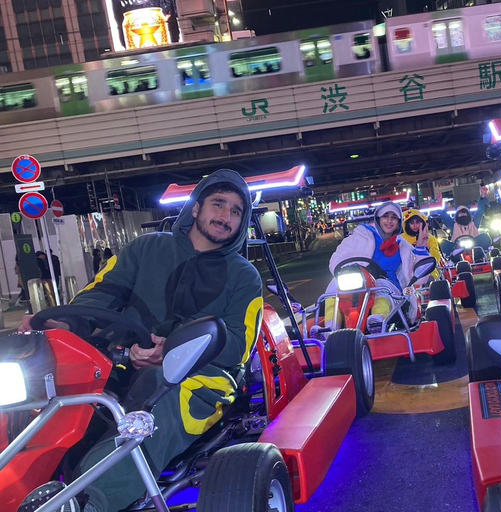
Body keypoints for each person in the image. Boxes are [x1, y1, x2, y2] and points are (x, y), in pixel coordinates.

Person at [20, 169, 263, 512]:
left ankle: (89, 504)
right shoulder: (145, 248)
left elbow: (238, 344)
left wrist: (173, 352)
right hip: (119, 361)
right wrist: (63, 322)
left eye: (236, 211)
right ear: (196, 208)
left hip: (200, 376)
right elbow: (100, 295)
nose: (225, 216)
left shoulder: (244, 276)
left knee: (154, 392)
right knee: (56, 386)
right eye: (218, 204)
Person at [319, 201, 430, 335]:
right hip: (359, 281)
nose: (389, 221)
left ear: (399, 222)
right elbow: (337, 258)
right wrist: (349, 270)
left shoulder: (403, 245)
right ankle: (330, 327)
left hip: (388, 286)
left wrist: (421, 248)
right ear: (378, 219)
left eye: (394, 218)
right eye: (385, 216)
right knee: (335, 287)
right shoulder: (360, 236)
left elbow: (420, 277)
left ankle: (377, 320)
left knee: (382, 286)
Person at [438, 186, 491, 259]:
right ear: (457, 215)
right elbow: (444, 215)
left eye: (464, 213)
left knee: (485, 237)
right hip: (457, 248)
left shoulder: (474, 223)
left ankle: (481, 256)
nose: (462, 215)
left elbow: (480, 211)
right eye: (460, 213)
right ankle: (451, 259)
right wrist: (440, 203)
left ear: (468, 214)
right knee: (442, 243)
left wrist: (482, 196)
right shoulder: (453, 225)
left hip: (474, 247)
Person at [402, 208, 442, 280]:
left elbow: (436, 258)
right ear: (407, 224)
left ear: (422, 223)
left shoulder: (430, 238)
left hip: (428, 270)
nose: (415, 225)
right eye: (412, 223)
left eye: (417, 222)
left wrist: (427, 246)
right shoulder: (401, 239)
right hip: (407, 272)